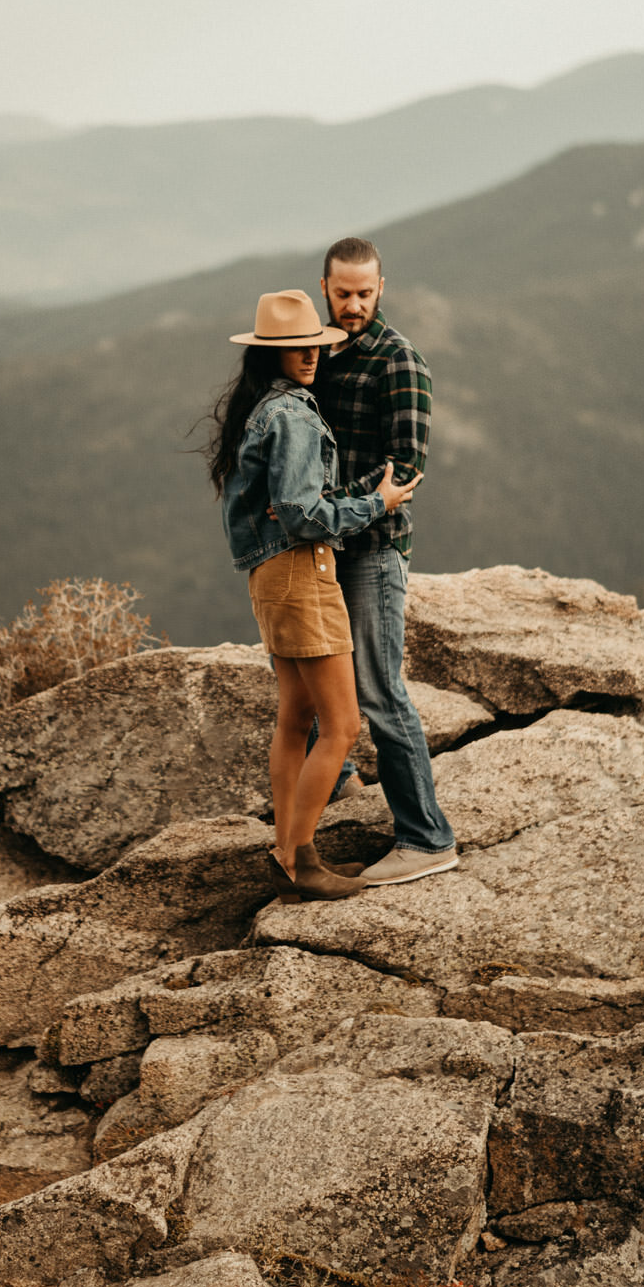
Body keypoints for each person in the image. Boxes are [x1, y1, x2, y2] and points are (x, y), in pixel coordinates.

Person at [206, 287, 420, 901]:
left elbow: (270, 510)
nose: (309, 355)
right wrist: (377, 502)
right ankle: (300, 859)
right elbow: (302, 513)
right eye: (296, 348)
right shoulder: (294, 415)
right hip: (302, 571)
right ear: (271, 353)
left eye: (314, 345)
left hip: (269, 577)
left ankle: (285, 847)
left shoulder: (261, 409)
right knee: (343, 726)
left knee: (296, 717)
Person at [314, 235, 458, 884]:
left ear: (381, 288)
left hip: (372, 551)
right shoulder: (317, 354)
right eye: (343, 293)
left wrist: (321, 506)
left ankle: (427, 838)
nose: (353, 304)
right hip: (324, 549)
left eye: (364, 294)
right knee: (320, 673)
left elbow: (406, 470)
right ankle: (338, 780)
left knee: (379, 689)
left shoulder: (400, 362)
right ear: (325, 287)